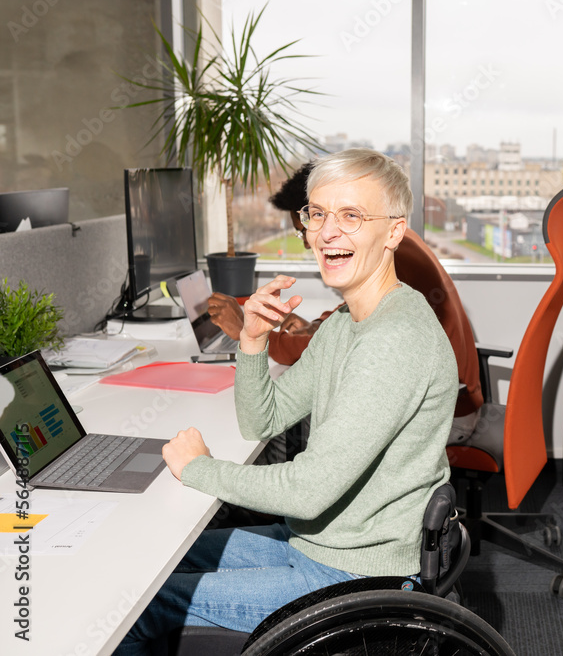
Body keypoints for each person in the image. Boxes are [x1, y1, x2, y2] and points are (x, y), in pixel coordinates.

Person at [114, 149, 459, 655]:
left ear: (393, 233)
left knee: (139, 602)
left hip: (359, 574)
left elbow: (307, 492)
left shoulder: (394, 339)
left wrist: (200, 470)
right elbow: (263, 421)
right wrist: (252, 340)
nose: (326, 232)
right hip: (317, 544)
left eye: (351, 215)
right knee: (155, 556)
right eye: (316, 213)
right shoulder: (346, 323)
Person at [207, 161, 483, 420]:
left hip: (450, 413)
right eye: (313, 219)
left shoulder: (392, 256)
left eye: (349, 216)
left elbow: (311, 351)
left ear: (392, 230)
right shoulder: (393, 244)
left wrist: (250, 333)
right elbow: (357, 314)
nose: (311, 240)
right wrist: (319, 326)